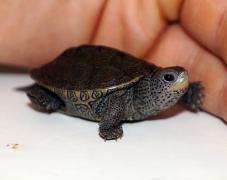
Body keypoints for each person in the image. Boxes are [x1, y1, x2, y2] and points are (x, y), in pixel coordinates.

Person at [0, 0, 226, 121]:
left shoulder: (149, 87)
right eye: (170, 78)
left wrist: (190, 92)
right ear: (156, 84)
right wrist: (110, 124)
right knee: (48, 101)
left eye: (178, 78)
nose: (181, 79)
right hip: (74, 77)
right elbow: (115, 103)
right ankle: (43, 92)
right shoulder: (125, 98)